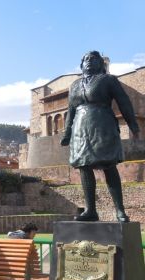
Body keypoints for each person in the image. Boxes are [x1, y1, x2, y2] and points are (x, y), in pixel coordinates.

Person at [60, 50, 140, 222]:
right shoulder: (74, 85)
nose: (89, 62)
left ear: (101, 64)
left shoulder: (108, 80)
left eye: (93, 59)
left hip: (103, 125)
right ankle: (90, 210)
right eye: (86, 60)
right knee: (84, 167)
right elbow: (71, 110)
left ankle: (120, 210)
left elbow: (123, 102)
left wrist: (133, 125)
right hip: (80, 129)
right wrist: (67, 132)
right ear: (81, 65)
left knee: (109, 165)